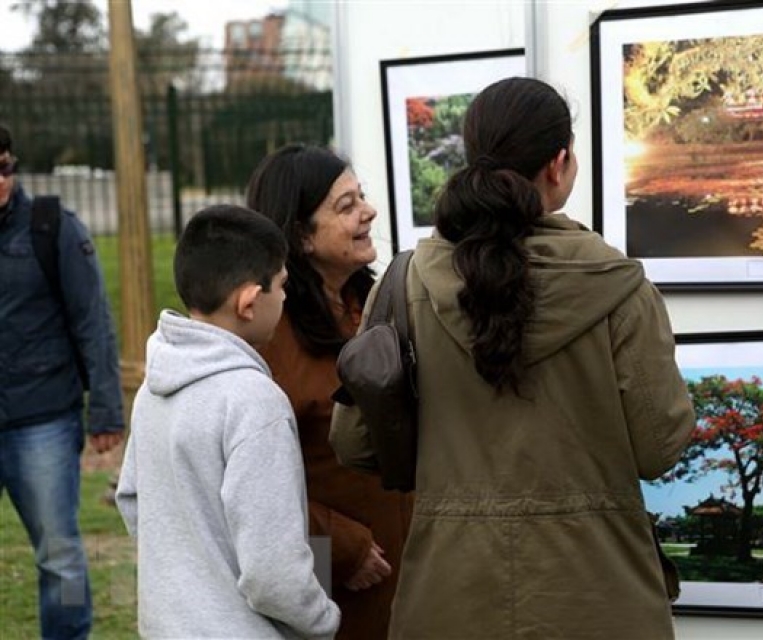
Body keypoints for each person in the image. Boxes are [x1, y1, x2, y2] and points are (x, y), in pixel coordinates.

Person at [330, 77, 697, 639]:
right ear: (559, 163)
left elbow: (356, 444)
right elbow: (660, 446)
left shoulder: (403, 285)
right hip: (599, 598)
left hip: (448, 599)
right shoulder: (619, 289)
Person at [115, 205, 340, 639]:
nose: (287, 297)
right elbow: (273, 572)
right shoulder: (255, 402)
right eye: (282, 285)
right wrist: (324, 620)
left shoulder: (154, 386)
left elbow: (132, 500)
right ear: (250, 302)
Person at [246, 144, 414, 640]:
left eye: (361, 197)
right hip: (334, 581)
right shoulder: (271, 337)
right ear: (301, 236)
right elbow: (253, 483)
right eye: (346, 206)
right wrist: (341, 548)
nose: (369, 212)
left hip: (406, 569)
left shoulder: (377, 304)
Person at [0, 123, 124, 639]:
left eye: (4, 168)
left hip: (44, 419)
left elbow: (93, 321)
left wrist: (107, 412)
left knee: (62, 555)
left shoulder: (53, 227)